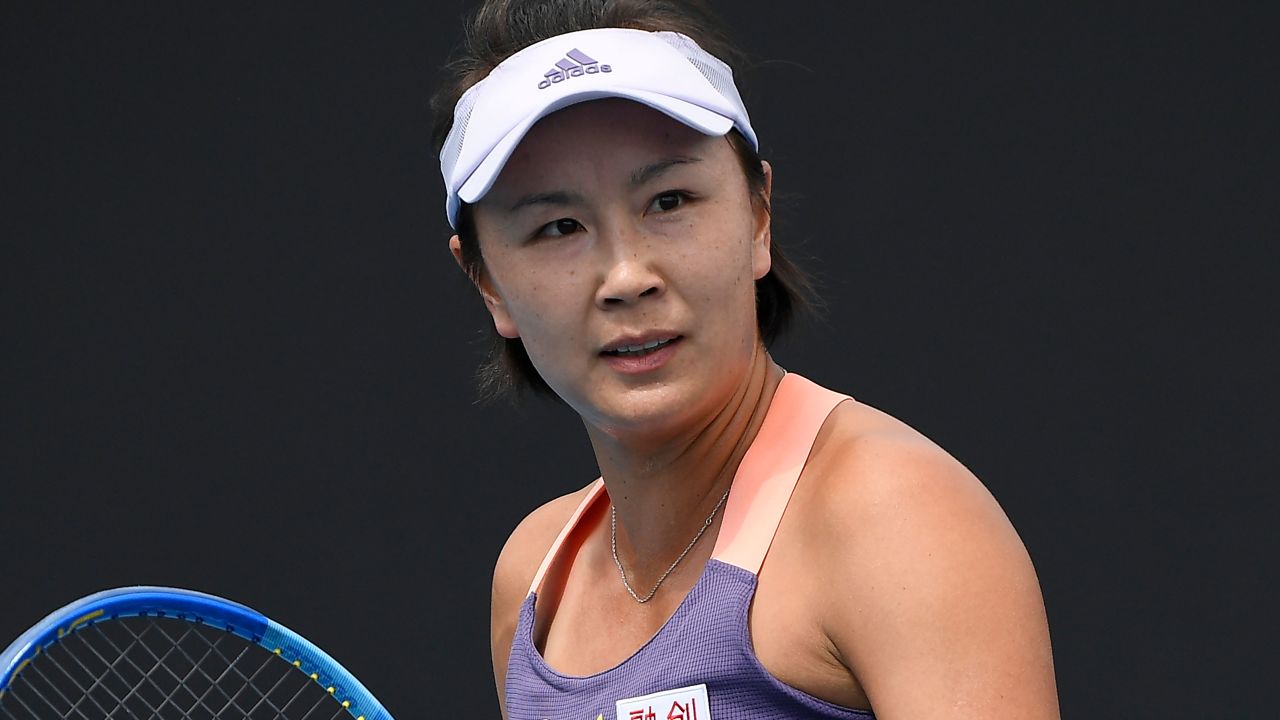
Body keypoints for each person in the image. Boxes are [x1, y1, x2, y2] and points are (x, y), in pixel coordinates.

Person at [432, 1, 1060, 718]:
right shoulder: (535, 581)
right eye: (559, 227)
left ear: (760, 215)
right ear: (488, 285)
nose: (627, 274)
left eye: (668, 200)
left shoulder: (895, 519)